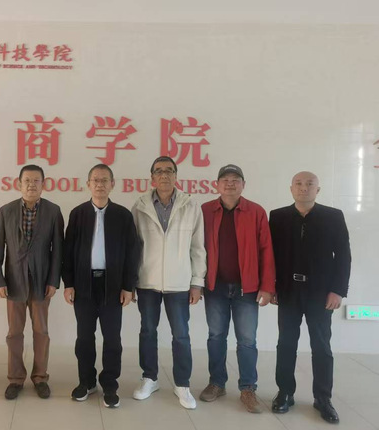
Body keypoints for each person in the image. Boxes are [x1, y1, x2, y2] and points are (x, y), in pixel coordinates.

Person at [269, 171, 351, 424]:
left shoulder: (333, 216)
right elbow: (270, 255)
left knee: (321, 346)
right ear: (291, 188)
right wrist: (272, 286)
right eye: (298, 184)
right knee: (286, 344)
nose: (303, 188)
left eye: (309, 184)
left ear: (318, 189)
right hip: (288, 291)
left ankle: (323, 398)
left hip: (321, 293)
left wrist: (338, 290)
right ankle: (285, 393)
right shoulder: (278, 216)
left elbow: (344, 256)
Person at [131, 156, 206, 409]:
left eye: (169, 171)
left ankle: (182, 384)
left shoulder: (190, 205)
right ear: (152, 177)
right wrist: (131, 281)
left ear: (176, 176)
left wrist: (197, 282)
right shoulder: (140, 206)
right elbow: (133, 247)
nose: (164, 175)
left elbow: (198, 247)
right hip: (147, 281)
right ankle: (149, 378)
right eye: (159, 171)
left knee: (181, 335)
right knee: (147, 331)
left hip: (180, 283)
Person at [199, 164, 275, 413]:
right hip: (215, 287)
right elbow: (196, 249)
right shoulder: (205, 211)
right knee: (216, 336)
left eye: (235, 180)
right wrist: (196, 282)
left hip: (247, 289)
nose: (230, 183)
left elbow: (266, 250)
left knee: (247, 340)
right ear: (216, 185)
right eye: (225, 179)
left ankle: (248, 388)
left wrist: (267, 286)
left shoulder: (256, 211)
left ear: (243, 185)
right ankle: (217, 383)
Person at [63, 164, 139, 408]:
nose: (99, 184)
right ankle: (86, 382)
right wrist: (68, 283)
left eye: (104, 180)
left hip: (113, 286)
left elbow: (132, 253)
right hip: (83, 285)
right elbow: (67, 251)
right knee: (84, 338)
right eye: (95, 180)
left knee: (112, 339)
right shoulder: (77, 214)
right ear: (88, 184)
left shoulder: (123, 215)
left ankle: (110, 385)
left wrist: (128, 286)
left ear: (112, 184)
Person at [0, 164, 64, 400]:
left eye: (36, 181)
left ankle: (40, 377)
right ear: (19, 184)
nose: (32, 185)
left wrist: (54, 281)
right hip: (13, 281)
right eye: (27, 181)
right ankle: (15, 379)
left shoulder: (53, 211)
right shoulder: (6, 211)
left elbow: (58, 251)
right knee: (14, 332)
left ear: (44, 184)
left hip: (42, 282)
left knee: (41, 331)